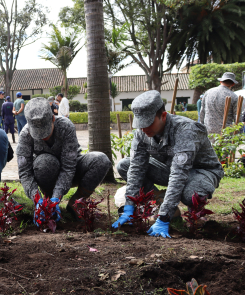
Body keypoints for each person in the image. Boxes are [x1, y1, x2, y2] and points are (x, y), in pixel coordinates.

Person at [113, 90, 224, 238]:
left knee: (190, 194)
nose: (144, 129)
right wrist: (128, 206)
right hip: (169, 169)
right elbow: (136, 168)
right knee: (125, 165)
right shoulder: (141, 132)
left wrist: (164, 217)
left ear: (163, 116)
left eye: (148, 123)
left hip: (201, 171)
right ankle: (159, 199)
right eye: (140, 124)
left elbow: (179, 174)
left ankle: (195, 213)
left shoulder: (186, 130)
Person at [16, 97, 112, 219]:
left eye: (45, 131)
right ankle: (47, 201)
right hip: (46, 171)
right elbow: (24, 172)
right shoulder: (25, 135)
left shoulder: (66, 127)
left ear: (52, 118)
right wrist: (37, 199)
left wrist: (58, 196)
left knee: (101, 160)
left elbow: (68, 167)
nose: (43, 137)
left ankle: (76, 203)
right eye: (38, 134)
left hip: (71, 171)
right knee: (45, 162)